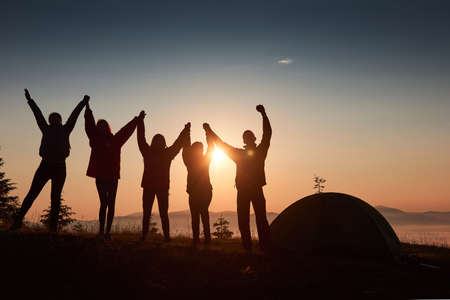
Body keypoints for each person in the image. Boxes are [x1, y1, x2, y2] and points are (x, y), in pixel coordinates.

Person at [10, 89, 89, 232]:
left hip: (59, 167)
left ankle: (52, 228)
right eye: (51, 118)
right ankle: (18, 221)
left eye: (55, 118)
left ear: (59, 120)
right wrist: (30, 100)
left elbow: (74, 115)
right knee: (32, 194)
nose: (52, 119)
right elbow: (38, 114)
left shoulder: (66, 128)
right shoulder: (46, 128)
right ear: (49, 121)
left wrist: (83, 103)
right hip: (45, 165)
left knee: (55, 198)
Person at [204, 105, 272, 252]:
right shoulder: (251, 153)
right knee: (249, 220)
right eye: (246, 137)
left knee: (255, 219)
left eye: (248, 137)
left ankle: (259, 247)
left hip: (250, 190)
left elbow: (267, 133)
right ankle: (254, 247)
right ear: (249, 139)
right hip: (247, 190)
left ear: (250, 139)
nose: (247, 139)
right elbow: (222, 144)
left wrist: (264, 115)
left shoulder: (255, 152)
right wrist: (209, 131)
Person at [84, 104, 144, 240]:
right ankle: (101, 231)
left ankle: (107, 232)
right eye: (100, 126)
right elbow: (89, 126)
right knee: (104, 203)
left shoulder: (115, 140)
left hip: (112, 177)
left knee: (110, 204)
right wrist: (88, 109)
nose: (102, 128)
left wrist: (137, 120)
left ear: (107, 127)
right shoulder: (95, 140)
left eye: (103, 126)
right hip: (100, 176)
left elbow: (126, 130)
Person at [137, 115, 190, 242]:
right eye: (158, 141)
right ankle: (162, 237)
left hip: (155, 187)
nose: (158, 143)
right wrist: (140, 123)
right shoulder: (163, 153)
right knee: (156, 214)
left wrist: (140, 122)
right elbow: (177, 143)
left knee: (154, 214)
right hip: (157, 187)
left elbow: (141, 139)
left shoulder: (151, 152)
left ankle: (154, 237)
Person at [182, 124, 215, 245]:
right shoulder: (204, 160)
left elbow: (185, 148)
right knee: (203, 215)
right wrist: (207, 132)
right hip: (204, 192)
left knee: (196, 216)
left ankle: (198, 239)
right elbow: (211, 147)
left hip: (199, 192)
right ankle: (206, 240)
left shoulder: (189, 161)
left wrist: (187, 132)